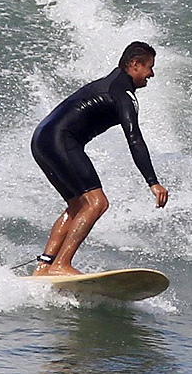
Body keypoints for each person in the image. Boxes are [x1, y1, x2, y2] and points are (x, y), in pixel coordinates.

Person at [31, 41, 168, 276]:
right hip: (61, 140)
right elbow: (134, 138)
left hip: (41, 139)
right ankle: (61, 265)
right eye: (149, 67)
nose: (151, 74)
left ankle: (44, 266)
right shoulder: (123, 93)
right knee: (97, 203)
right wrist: (152, 182)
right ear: (134, 65)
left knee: (77, 206)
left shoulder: (110, 82)